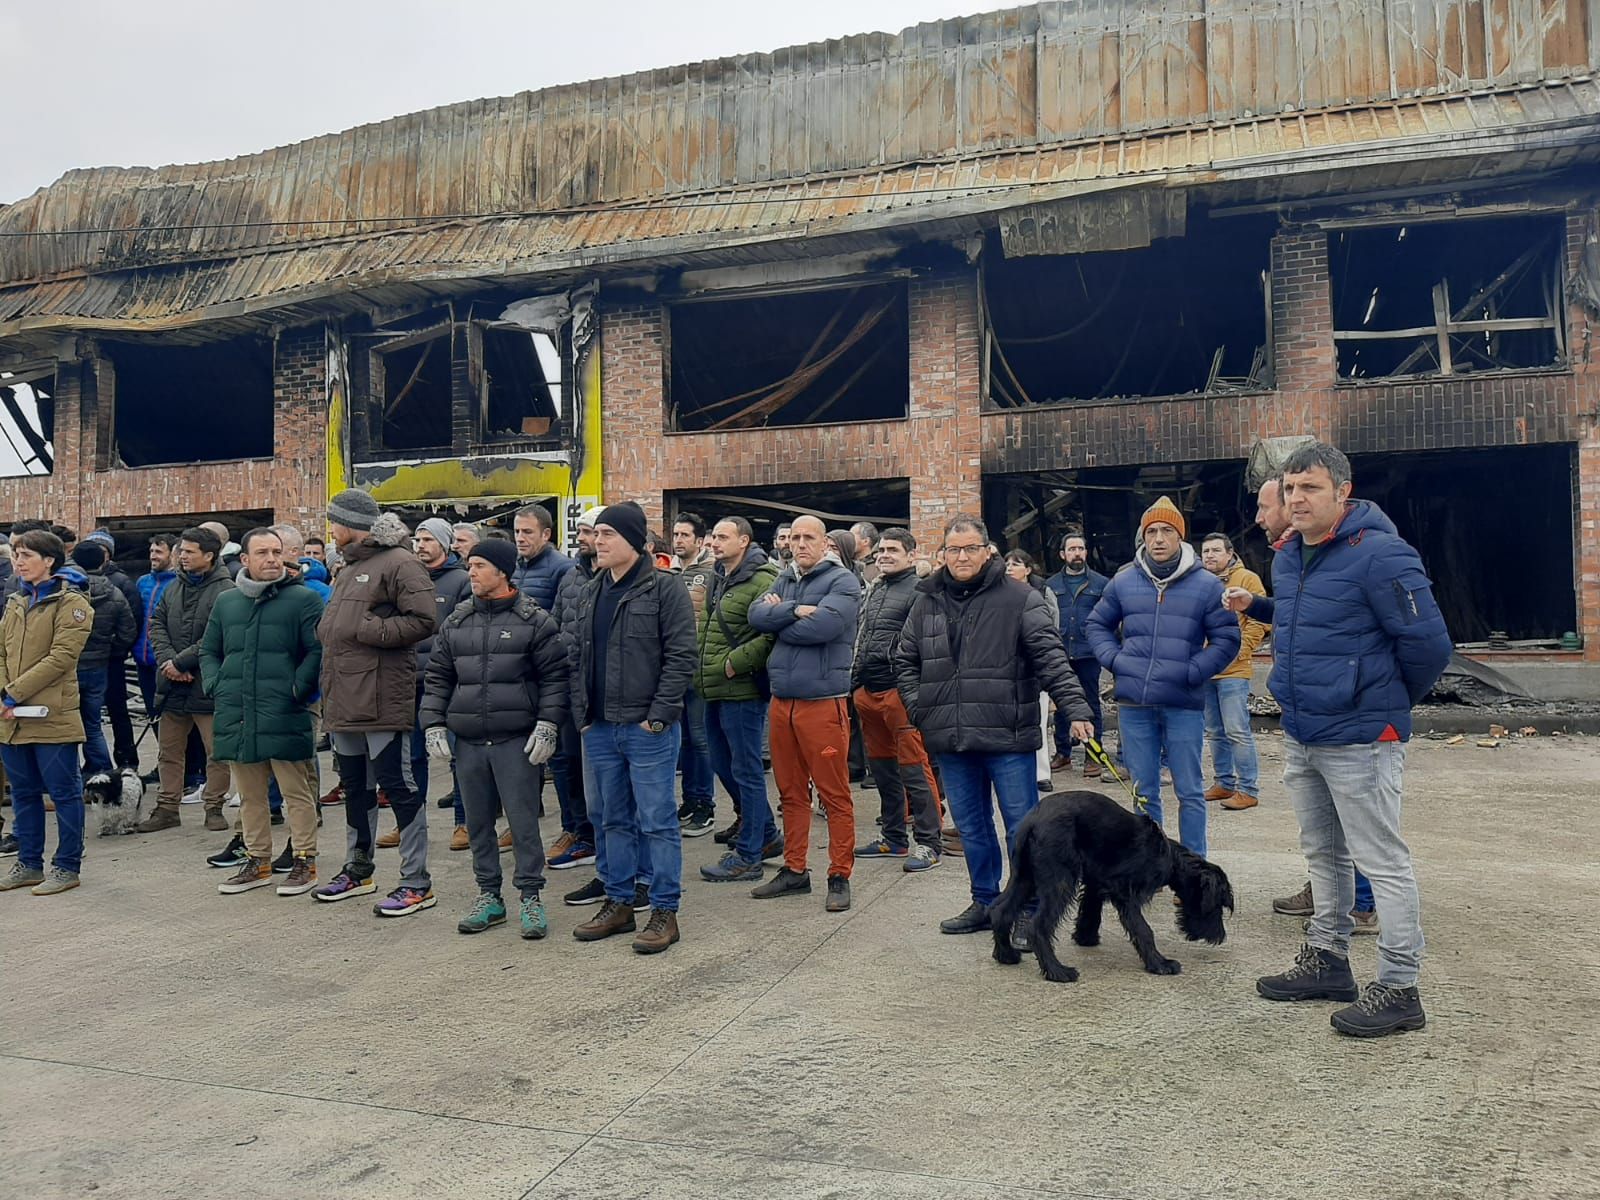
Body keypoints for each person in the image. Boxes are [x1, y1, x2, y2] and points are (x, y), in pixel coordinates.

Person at [1250, 443, 1451, 1037]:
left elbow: (1430, 647)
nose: (1296, 500)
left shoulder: (1382, 554)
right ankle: (1328, 961)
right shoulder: (1290, 558)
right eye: (1289, 490)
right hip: (1304, 731)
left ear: (1343, 491)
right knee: (1323, 856)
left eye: (1309, 488)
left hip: (1362, 737)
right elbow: (1299, 628)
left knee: (1381, 860)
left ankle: (1398, 985)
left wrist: (1380, 701)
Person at [894, 516, 1093, 941]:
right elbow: (905, 660)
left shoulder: (1020, 598)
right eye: (953, 549)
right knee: (972, 828)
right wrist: (921, 709)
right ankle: (985, 901)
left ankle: (1029, 909)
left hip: (1008, 736)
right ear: (942, 554)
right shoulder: (925, 600)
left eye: (970, 548)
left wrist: (1076, 708)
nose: (961, 557)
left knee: (1023, 829)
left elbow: (1050, 658)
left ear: (988, 551)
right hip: (951, 736)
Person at [1225, 480, 1379, 931]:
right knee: (1322, 825)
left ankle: (1363, 904)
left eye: (1263, 506)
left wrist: (1374, 695)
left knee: (1354, 819)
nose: (1257, 516)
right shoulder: (1290, 558)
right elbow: (1298, 615)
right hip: (1304, 712)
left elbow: (1421, 644)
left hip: (1344, 713)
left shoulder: (1345, 554)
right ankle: (1329, 887)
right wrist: (1257, 605)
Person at [420, 536, 569, 939]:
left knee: (522, 824)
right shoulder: (456, 621)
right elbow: (438, 677)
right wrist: (432, 721)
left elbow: (555, 678)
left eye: (480, 566)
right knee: (478, 824)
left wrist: (548, 723)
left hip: (515, 742)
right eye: (470, 566)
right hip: (469, 743)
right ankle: (490, 896)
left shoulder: (534, 620)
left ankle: (531, 898)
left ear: (502, 572)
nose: (472, 572)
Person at [567, 501, 696, 954]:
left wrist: (657, 716)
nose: (596, 542)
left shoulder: (664, 590)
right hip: (599, 727)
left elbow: (681, 658)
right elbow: (576, 657)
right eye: (595, 534)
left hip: (647, 729)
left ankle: (664, 909)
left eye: (607, 535)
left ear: (634, 542)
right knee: (608, 818)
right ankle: (619, 901)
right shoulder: (590, 591)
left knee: (657, 819)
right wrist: (582, 716)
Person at [1085, 497, 1239, 858]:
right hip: (1134, 704)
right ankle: (1149, 865)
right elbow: (1097, 624)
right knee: (1143, 791)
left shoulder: (1206, 585)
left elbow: (1227, 638)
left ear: (1180, 536)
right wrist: (1115, 660)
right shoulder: (1124, 581)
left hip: (1182, 703)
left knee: (1189, 790)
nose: (1157, 538)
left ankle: (1193, 867)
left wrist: (1193, 671)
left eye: (1166, 530)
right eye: (1151, 531)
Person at [311, 491, 438, 917]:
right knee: (355, 788)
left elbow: (424, 620)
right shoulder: (349, 565)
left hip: (381, 696)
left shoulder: (399, 562)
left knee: (398, 786)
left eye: (335, 521)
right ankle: (358, 867)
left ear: (352, 523)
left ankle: (417, 881)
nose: (331, 529)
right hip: (344, 698)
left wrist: (369, 629)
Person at [201, 528, 325, 897]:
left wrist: (295, 689)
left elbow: (317, 652)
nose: (271, 559)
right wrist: (216, 683)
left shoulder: (303, 600)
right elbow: (209, 650)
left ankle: (305, 859)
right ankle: (258, 860)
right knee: (250, 793)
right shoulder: (227, 602)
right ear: (245, 560)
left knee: (295, 791)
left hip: (284, 709)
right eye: (263, 553)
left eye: (276, 552)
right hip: (237, 709)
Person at [747, 514, 862, 913]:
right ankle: (795, 869)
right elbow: (755, 617)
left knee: (834, 794)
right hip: (783, 702)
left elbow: (824, 628)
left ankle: (839, 874)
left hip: (823, 702)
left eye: (807, 537)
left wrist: (780, 618)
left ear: (826, 543)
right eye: (794, 537)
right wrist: (795, 611)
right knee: (791, 792)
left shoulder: (844, 581)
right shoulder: (787, 578)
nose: (799, 544)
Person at [0, 530, 92, 896]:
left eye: (26, 555)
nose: (18, 562)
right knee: (22, 792)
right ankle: (29, 863)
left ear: (49, 560)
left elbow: (60, 658)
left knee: (64, 793)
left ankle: (67, 866)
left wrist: (12, 693)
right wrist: (4, 694)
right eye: (16, 555)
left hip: (51, 713)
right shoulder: (16, 603)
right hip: (11, 717)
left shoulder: (72, 604)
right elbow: (2, 652)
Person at [694, 517, 783, 882]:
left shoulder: (763, 578)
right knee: (720, 762)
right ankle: (764, 833)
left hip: (742, 690)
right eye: (714, 536)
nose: (715, 542)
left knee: (746, 770)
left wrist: (734, 664)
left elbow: (771, 633)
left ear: (744, 541)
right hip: (712, 686)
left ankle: (749, 854)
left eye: (723, 537)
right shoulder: (718, 576)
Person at [852, 527, 943, 870]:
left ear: (910, 554)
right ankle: (893, 838)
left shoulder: (921, 590)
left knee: (915, 770)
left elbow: (928, 645)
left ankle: (929, 842)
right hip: (868, 691)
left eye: (892, 549)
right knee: (884, 770)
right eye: (880, 550)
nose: (884, 555)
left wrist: (915, 690)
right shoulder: (874, 590)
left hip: (900, 693)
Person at [136, 527, 236, 833]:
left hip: (207, 683)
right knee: (168, 750)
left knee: (215, 752)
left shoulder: (226, 590)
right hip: (173, 684)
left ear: (209, 555)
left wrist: (181, 662)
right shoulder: (173, 587)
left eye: (189, 552)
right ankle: (167, 808)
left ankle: (214, 807)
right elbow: (156, 623)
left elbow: (217, 636)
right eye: (181, 551)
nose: (182, 557)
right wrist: (168, 661)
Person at [389, 518, 470, 851]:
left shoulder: (461, 581)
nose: (420, 545)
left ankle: (464, 823)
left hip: (449, 683)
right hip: (410, 680)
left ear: (445, 543)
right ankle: (409, 823)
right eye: (417, 539)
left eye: (427, 539)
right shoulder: (405, 579)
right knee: (413, 759)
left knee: (458, 756)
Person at [547, 506, 602, 881]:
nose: (582, 539)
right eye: (580, 531)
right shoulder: (571, 577)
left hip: (599, 691)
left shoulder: (617, 579)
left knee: (596, 769)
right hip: (567, 685)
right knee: (565, 763)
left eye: (588, 531)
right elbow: (555, 625)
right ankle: (578, 830)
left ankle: (601, 838)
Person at [1198, 532, 1267, 811]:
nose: (1210, 556)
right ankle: (1224, 782)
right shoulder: (1199, 583)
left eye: (1216, 550)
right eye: (1206, 552)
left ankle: (1248, 789)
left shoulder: (1247, 579)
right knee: (1214, 730)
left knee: (1237, 730)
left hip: (1234, 670)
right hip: (1206, 669)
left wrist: (1240, 649)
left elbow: (1260, 621)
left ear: (1230, 553)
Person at [67, 542, 135, 784]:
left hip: (68, 666)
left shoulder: (66, 590)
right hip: (98, 666)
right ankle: (101, 771)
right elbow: (128, 631)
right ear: (103, 561)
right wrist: (112, 651)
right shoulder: (115, 592)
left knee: (66, 724)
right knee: (93, 723)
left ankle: (71, 775)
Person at [1044, 529, 1108, 778]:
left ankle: (1094, 755)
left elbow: (1109, 619)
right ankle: (1063, 753)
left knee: (1091, 704)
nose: (1077, 553)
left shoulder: (1101, 584)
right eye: (1071, 549)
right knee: (1061, 703)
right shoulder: (1051, 585)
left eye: (1080, 548)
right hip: (1060, 652)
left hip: (1088, 652)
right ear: (1062, 554)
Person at [670, 512, 717, 835]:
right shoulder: (668, 573)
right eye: (675, 535)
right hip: (674, 669)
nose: (678, 540)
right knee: (683, 739)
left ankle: (705, 805)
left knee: (700, 740)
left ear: (700, 541)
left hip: (699, 668)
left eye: (685, 535)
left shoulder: (712, 572)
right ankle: (689, 799)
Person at [86, 531, 143, 772]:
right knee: (90, 717)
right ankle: (92, 763)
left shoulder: (122, 583)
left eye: (105, 550)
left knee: (118, 711)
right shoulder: (76, 581)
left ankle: (127, 761)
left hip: (112, 661)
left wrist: (115, 651)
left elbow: (132, 624)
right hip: (90, 661)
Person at [1004, 550, 1059, 793]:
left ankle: (1041, 774)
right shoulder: (998, 593)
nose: (1009, 568)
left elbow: (1052, 630)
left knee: (1037, 721)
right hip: (1005, 666)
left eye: (1015, 564)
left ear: (1027, 569)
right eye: (1006, 564)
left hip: (1035, 667)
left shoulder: (1043, 594)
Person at [132, 534, 179, 719]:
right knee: (152, 714)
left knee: (169, 716)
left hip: (166, 662)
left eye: (159, 552)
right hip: (142, 660)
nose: (153, 556)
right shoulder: (143, 582)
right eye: (151, 551)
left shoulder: (178, 584)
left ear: (172, 555)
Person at [511, 504, 574, 612]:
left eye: (527, 532)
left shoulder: (564, 568)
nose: (520, 538)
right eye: (517, 531)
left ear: (546, 534)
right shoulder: (510, 565)